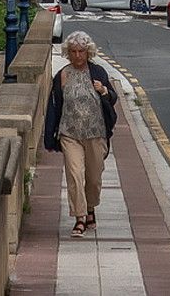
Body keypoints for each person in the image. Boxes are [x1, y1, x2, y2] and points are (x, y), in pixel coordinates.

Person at [42, 30, 118, 238]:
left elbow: (112, 98)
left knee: (93, 178)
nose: (77, 56)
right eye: (73, 51)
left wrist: (103, 91)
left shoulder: (98, 73)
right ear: (68, 53)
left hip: (95, 133)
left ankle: (90, 207)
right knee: (75, 175)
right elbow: (54, 107)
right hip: (70, 133)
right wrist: (50, 136)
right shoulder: (63, 76)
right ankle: (80, 217)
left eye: (81, 51)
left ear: (88, 52)